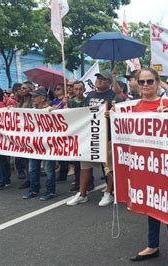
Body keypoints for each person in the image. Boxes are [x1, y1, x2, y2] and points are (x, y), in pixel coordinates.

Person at [129, 68, 168, 266]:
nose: (145, 85)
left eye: (149, 81)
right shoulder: (137, 106)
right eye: (141, 82)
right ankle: (152, 246)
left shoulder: (165, 103)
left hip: (165, 167)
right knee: (151, 207)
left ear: (158, 83)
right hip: (147, 166)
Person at [67, 70, 118, 207]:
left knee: (109, 167)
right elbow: (82, 111)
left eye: (103, 79)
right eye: (98, 78)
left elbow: (120, 113)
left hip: (107, 137)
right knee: (85, 166)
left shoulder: (113, 95)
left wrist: (112, 113)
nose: (99, 80)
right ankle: (82, 194)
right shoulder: (90, 95)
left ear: (109, 82)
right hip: (91, 137)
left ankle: (109, 192)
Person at [22, 88, 57, 201]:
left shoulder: (50, 110)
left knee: (48, 170)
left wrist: (57, 111)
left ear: (43, 98)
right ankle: (33, 189)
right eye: (32, 96)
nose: (33, 98)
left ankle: (50, 191)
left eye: (35, 96)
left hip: (47, 146)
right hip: (34, 145)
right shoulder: (32, 111)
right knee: (33, 169)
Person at [66, 80, 85, 192]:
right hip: (75, 135)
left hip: (85, 134)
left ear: (84, 90)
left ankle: (89, 182)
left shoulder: (88, 101)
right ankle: (78, 182)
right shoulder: (71, 102)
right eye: (76, 89)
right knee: (77, 162)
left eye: (80, 89)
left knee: (86, 162)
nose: (78, 91)